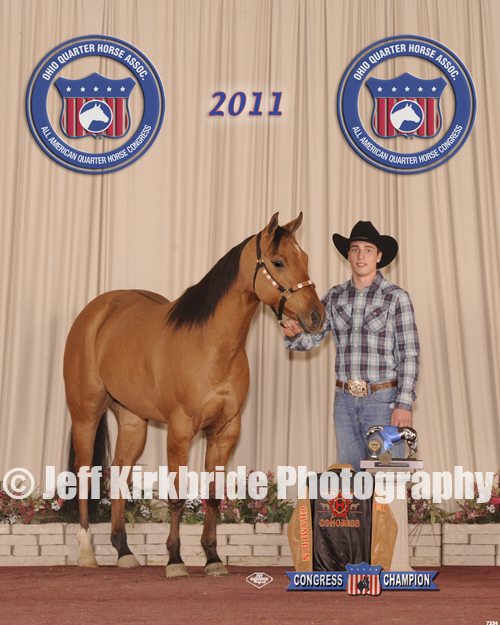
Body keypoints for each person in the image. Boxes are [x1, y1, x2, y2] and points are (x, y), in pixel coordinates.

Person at [282, 221, 420, 472]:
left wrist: (404, 403)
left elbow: (409, 355)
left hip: (383, 401)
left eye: (368, 249)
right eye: (355, 249)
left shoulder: (396, 297)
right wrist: (294, 335)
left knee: (386, 479)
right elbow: (313, 338)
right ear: (348, 254)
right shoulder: (334, 296)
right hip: (344, 402)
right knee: (349, 480)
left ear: (379, 256)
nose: (361, 255)